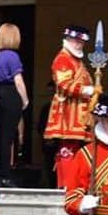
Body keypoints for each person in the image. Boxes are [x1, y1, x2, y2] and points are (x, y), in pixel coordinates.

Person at [43, 25, 94, 188]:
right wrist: (87, 90)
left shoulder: (77, 60)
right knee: (68, 146)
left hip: (80, 111)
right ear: (68, 40)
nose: (79, 44)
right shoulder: (62, 59)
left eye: (81, 42)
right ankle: (66, 183)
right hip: (68, 111)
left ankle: (74, 182)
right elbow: (64, 84)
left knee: (76, 147)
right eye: (76, 41)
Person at [0, 22, 29, 187]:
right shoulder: (13, 56)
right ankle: (6, 175)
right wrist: (25, 99)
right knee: (8, 137)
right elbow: (18, 79)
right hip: (11, 95)